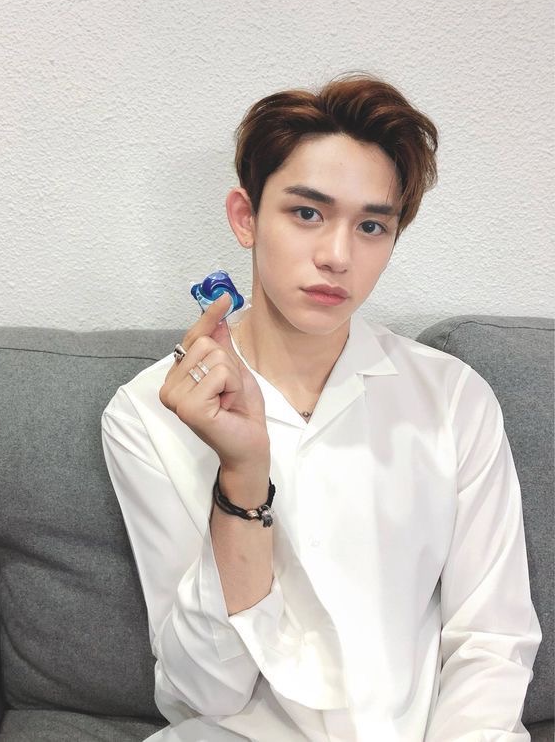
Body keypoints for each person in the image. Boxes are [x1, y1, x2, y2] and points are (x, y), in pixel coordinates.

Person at [101, 74, 542, 741]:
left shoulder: (453, 398)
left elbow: (491, 640)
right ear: (246, 218)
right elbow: (204, 690)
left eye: (371, 226)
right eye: (307, 213)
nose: (338, 256)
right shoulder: (148, 414)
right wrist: (242, 479)